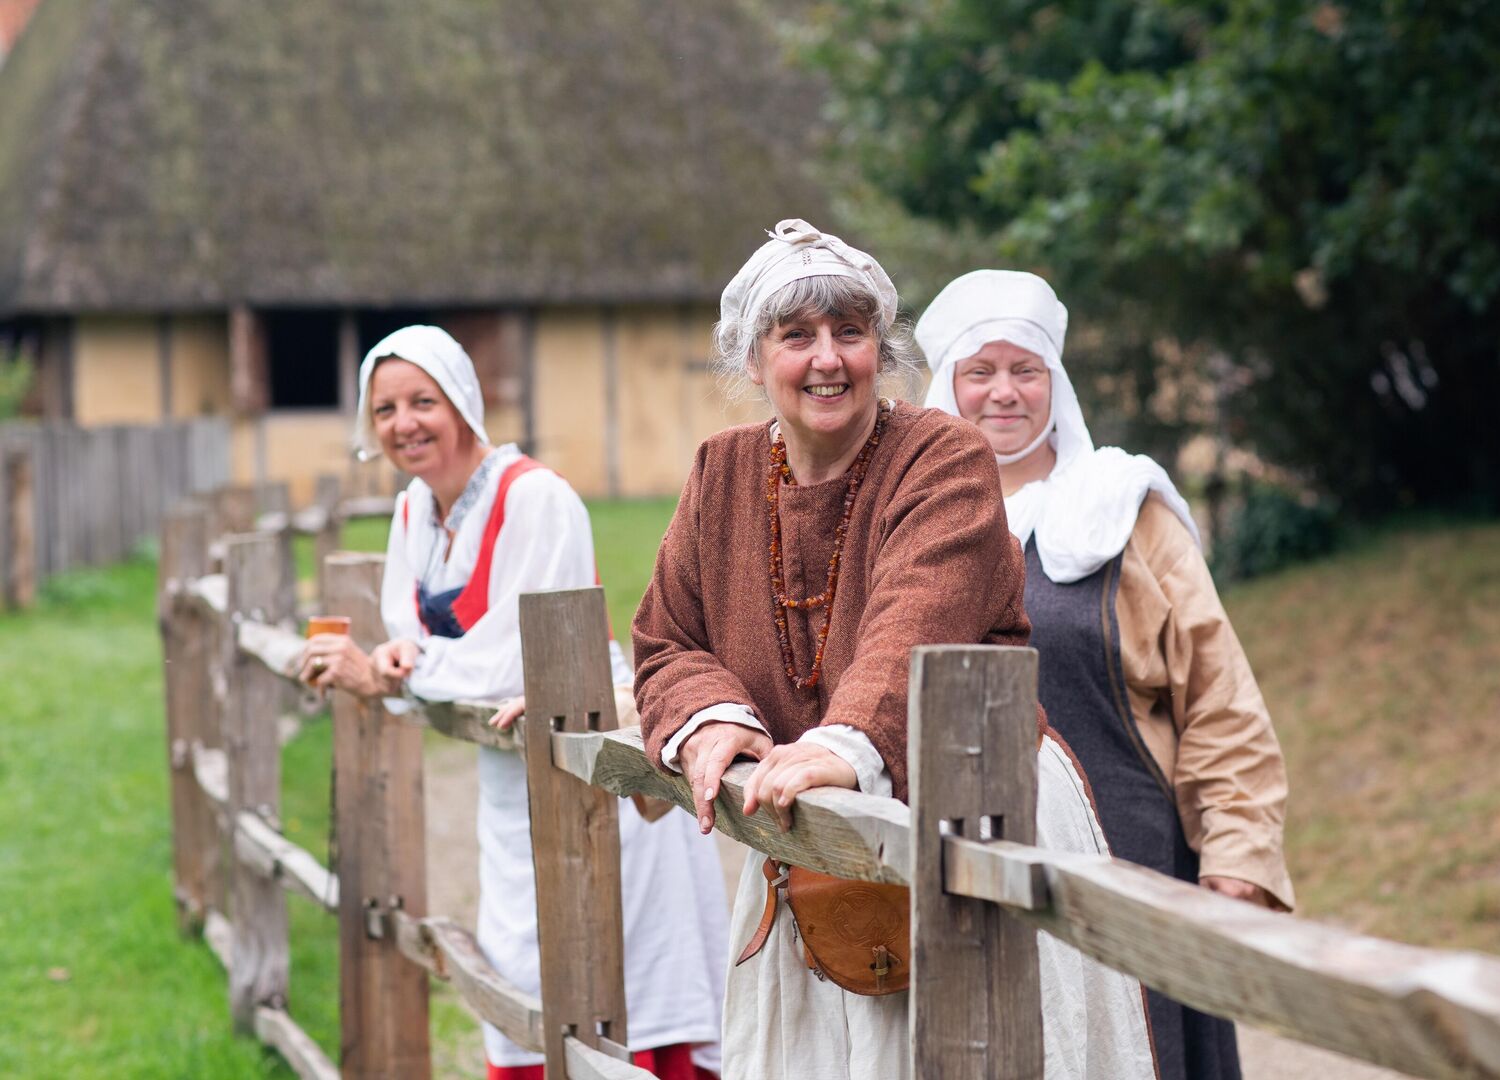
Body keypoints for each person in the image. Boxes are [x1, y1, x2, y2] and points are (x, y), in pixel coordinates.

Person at [633, 220, 1157, 1079]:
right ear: (753, 359)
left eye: (852, 331)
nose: (828, 358)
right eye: (796, 336)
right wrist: (711, 717)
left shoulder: (942, 455)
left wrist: (840, 747)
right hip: (811, 836)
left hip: (969, 809)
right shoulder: (719, 472)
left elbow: (920, 618)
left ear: (882, 346)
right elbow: (666, 636)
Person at [299, 325, 729, 1080]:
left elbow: (514, 653)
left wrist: (401, 668)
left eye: (422, 401)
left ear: (462, 402)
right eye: (386, 409)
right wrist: (399, 656)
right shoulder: (412, 514)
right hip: (510, 768)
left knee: (622, 974)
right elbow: (412, 635)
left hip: (593, 751)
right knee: (526, 966)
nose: (405, 424)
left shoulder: (537, 498)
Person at [917, 270, 1296, 1079]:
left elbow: (1221, 707)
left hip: (1131, 871)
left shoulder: (1126, 509)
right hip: (955, 878)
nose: (1004, 392)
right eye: (979, 372)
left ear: (1058, 381)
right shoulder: (905, 524)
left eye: (1027, 370)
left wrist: (1235, 860)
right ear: (946, 386)